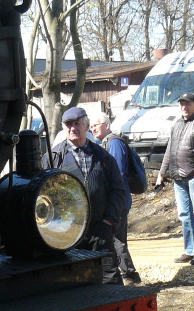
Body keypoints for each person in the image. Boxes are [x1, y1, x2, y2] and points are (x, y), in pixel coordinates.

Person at [45, 106, 127, 285]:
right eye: (68, 124)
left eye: (77, 123)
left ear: (86, 126)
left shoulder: (103, 157)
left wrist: (109, 221)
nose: (73, 128)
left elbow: (118, 190)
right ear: (64, 128)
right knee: (74, 284)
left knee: (110, 279)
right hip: (67, 235)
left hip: (100, 232)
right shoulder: (53, 158)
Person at [154, 93, 194, 265]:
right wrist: (161, 173)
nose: (184, 107)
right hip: (177, 177)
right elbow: (170, 150)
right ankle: (189, 251)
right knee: (184, 214)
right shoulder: (177, 124)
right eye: (182, 104)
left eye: (187, 104)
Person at [91, 113, 143, 284]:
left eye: (96, 125)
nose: (93, 129)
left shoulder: (114, 143)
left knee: (116, 239)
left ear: (106, 124)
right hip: (118, 200)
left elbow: (118, 174)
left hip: (119, 201)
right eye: (91, 126)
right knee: (118, 238)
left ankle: (129, 275)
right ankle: (129, 274)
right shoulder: (106, 143)